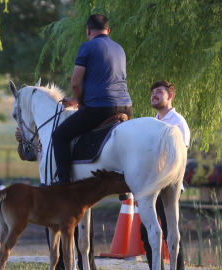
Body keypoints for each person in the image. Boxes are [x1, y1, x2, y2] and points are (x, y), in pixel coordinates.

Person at [52, 14, 133, 185]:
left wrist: (80, 103)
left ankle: (64, 184)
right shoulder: (119, 48)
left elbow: (75, 83)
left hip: (101, 108)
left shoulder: (87, 47)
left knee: (59, 136)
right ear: (108, 31)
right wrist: (77, 99)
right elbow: (105, 81)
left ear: (87, 30)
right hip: (126, 106)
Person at [15, 127, 96, 270]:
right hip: (48, 191)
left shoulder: (61, 132)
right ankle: (60, 267)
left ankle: (87, 265)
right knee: (54, 237)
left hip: (69, 191)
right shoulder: (36, 136)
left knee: (80, 234)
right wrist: (21, 142)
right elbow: (25, 156)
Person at [140, 81, 190, 270]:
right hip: (150, 185)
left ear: (170, 96)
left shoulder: (178, 122)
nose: (154, 94)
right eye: (152, 92)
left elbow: (180, 156)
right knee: (146, 232)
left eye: (159, 92)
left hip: (168, 184)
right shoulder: (151, 123)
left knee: (171, 230)